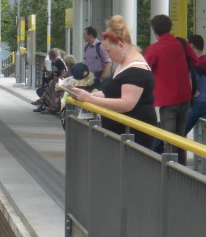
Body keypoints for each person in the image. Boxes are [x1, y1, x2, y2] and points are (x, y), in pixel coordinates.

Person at [70, 16, 157, 150]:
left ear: (121, 45)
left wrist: (90, 99)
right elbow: (110, 93)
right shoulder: (125, 64)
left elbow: (126, 104)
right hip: (123, 134)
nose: (108, 56)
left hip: (134, 137)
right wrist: (86, 95)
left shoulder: (136, 70)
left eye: (109, 51)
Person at [144, 14, 198, 164]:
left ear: (154, 31)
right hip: (185, 96)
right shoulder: (181, 43)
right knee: (181, 137)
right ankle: (182, 169)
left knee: (169, 139)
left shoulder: (153, 49)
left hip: (167, 99)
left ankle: (171, 169)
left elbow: (145, 71)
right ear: (170, 27)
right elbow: (195, 61)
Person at [185, 34, 206, 135]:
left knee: (179, 130)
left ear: (191, 46)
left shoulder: (195, 64)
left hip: (199, 102)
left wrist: (192, 92)